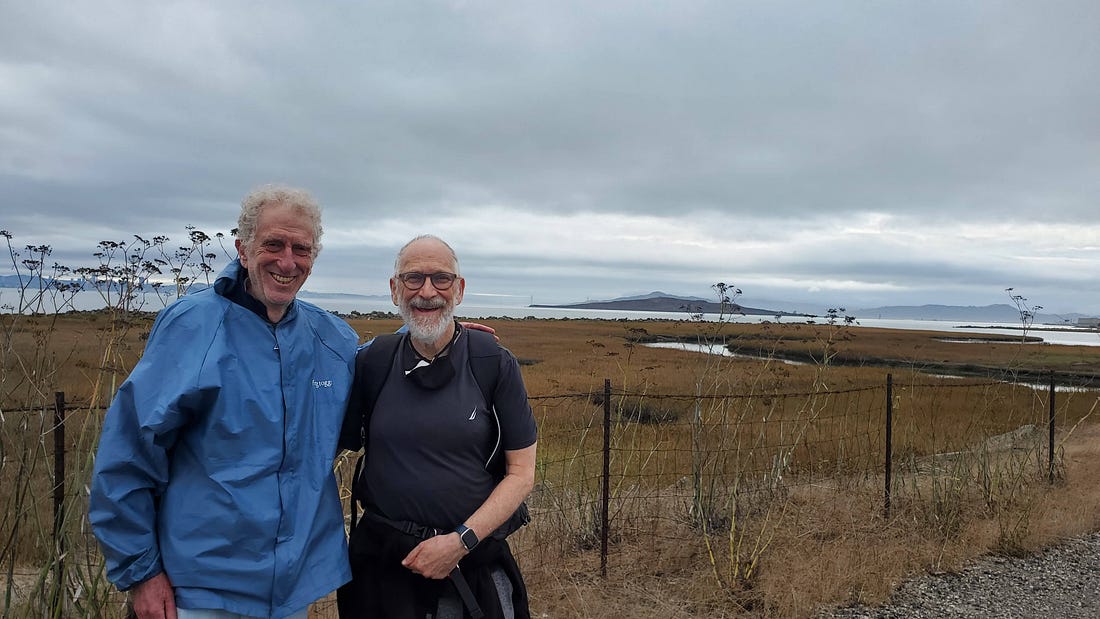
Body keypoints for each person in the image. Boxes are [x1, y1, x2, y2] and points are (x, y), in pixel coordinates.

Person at [89, 184, 360, 619]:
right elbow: (129, 453)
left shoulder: (332, 338)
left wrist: (451, 339)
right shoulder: (192, 326)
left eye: (301, 249)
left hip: (293, 591)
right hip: (201, 590)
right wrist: (141, 572)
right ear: (243, 249)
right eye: (273, 244)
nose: (287, 262)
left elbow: (386, 372)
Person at [338, 235, 538, 619]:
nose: (427, 291)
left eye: (441, 279)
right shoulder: (372, 362)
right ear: (394, 289)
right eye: (413, 278)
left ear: (459, 290)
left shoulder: (493, 363)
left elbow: (521, 473)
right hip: (382, 570)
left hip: (470, 566)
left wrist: (459, 542)